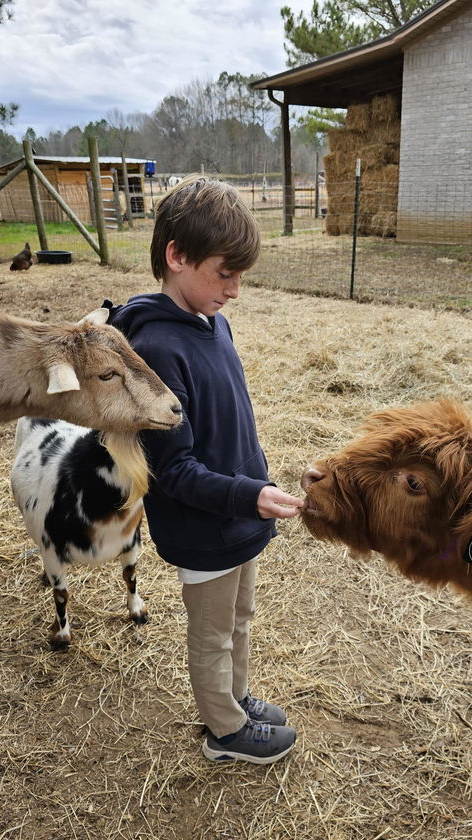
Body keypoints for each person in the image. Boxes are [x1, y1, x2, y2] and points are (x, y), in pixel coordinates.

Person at [106, 176, 303, 764]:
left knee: (240, 617)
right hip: (204, 522)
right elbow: (174, 471)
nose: (235, 291)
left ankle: (236, 699)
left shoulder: (212, 321)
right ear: (177, 256)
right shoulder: (157, 349)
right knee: (213, 632)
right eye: (225, 274)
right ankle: (224, 730)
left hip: (238, 512)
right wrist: (250, 495)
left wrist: (254, 488)